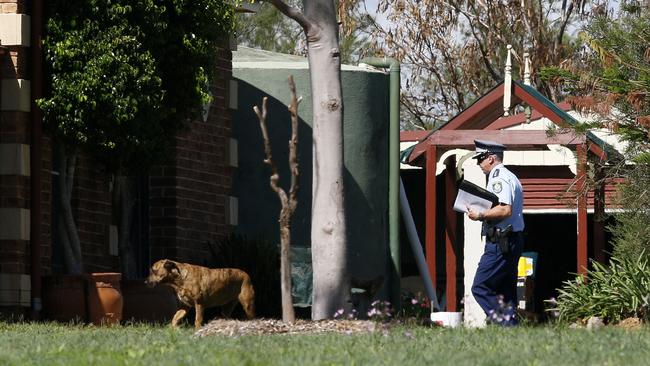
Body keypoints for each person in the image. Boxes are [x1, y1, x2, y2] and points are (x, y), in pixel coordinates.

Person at [466, 139, 524, 326]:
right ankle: (512, 334)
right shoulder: (509, 175)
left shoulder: (498, 177)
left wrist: (480, 214)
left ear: (490, 158)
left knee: (480, 287)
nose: (479, 164)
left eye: (480, 159)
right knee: (505, 289)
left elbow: (504, 209)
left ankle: (507, 325)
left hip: (501, 241)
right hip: (510, 239)